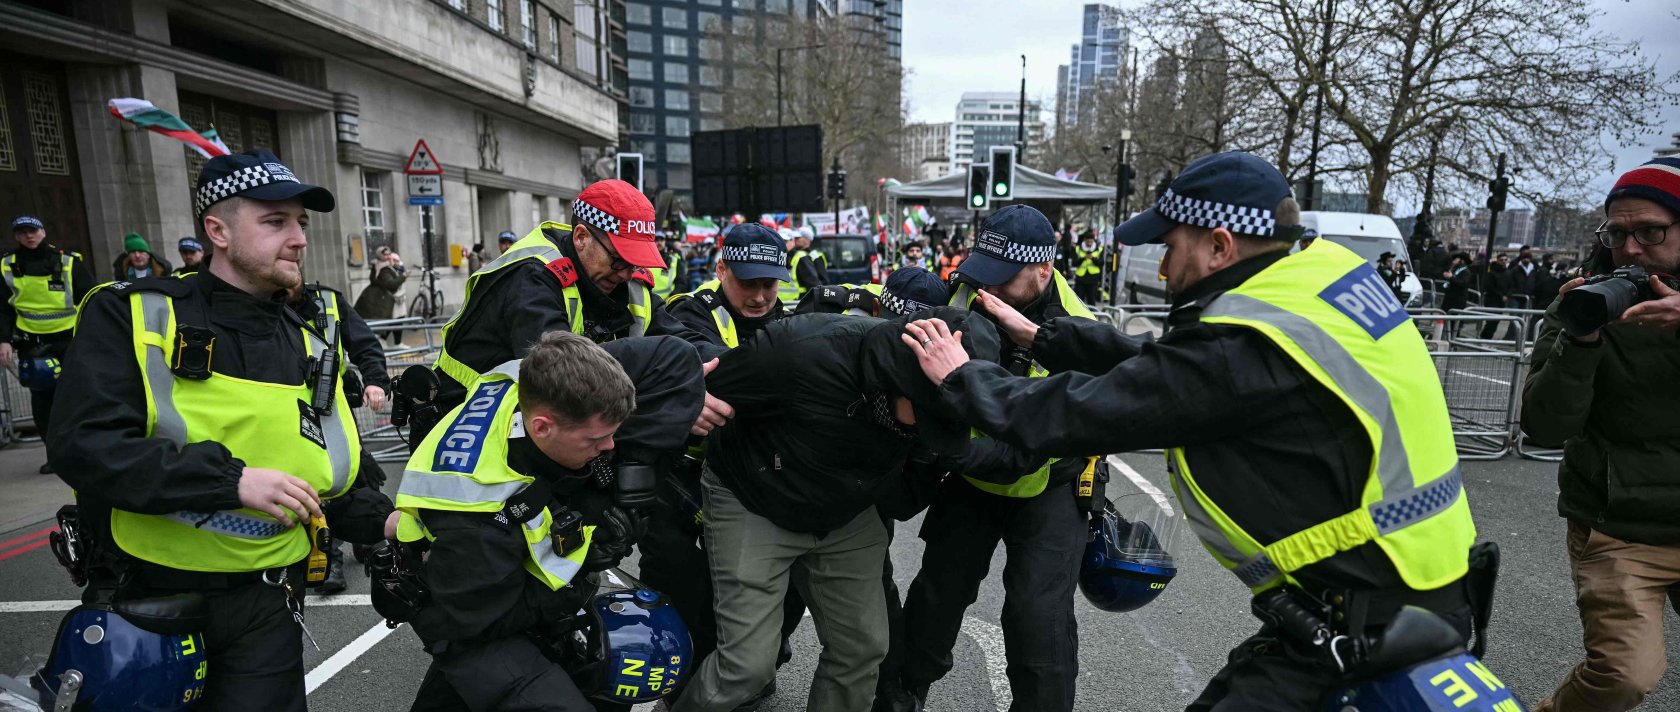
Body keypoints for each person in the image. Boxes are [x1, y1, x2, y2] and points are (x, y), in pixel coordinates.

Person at [900, 152, 1482, 711]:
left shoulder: (1241, 347)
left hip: (1365, 614)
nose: (1162, 267)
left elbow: (1086, 408)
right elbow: (1154, 359)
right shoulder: (1316, 280)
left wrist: (962, 378)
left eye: (1171, 247)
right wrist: (1042, 337)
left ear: (1219, 246)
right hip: (1409, 589)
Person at [49, 149, 398, 711]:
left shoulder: (308, 342)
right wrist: (229, 481)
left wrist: (388, 520)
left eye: (301, 224)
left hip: (269, 605)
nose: (299, 239)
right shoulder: (134, 315)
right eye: (275, 221)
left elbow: (332, 475)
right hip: (150, 598)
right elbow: (84, 444)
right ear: (217, 230)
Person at [673, 307, 998, 712]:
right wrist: (692, 402)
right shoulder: (798, 351)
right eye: (929, 420)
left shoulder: (940, 408)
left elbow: (911, 493)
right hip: (753, 495)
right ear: (901, 381)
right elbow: (702, 391)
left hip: (846, 508)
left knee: (863, 649)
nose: (926, 435)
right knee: (746, 667)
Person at [397, 330, 704, 712]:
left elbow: (675, 354)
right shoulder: (478, 514)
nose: (608, 447)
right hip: (466, 612)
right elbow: (490, 619)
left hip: (492, 575)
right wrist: (584, 563)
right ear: (542, 427)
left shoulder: (533, 378)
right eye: (596, 440)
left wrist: (631, 479)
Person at [898, 205, 1099, 712]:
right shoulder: (966, 292)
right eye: (984, 271)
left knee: (1039, 619)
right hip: (971, 474)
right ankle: (899, 697)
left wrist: (954, 447)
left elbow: (1024, 453)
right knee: (936, 600)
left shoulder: (1076, 328)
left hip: (1049, 479)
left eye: (1004, 279)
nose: (989, 290)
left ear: (1044, 270)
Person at [1521, 156, 1680, 712]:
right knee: (1623, 677)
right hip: (1620, 525)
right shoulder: (1583, 301)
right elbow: (1543, 427)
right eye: (1618, 233)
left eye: (1652, 231)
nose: (1632, 248)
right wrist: (1580, 338)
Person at [424, 179, 725, 430]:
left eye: (635, 262)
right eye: (619, 259)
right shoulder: (531, 277)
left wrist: (740, 363)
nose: (627, 274)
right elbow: (563, 376)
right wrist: (672, 401)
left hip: (533, 424)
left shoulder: (623, 277)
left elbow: (679, 338)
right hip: (464, 424)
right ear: (581, 237)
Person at [287, 278, 392, 594]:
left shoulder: (329, 301)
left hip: (335, 405)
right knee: (316, 482)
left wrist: (376, 382)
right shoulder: (260, 306)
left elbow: (365, 344)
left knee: (356, 471)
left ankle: (368, 535)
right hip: (289, 410)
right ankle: (329, 557)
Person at [1, 215, 94, 474]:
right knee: (43, 404)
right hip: (33, 345)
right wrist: (4, 340)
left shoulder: (67, 262)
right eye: (23, 232)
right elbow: (3, 309)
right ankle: (55, 454)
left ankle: (84, 449)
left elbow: (91, 298)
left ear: (43, 232)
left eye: (33, 231)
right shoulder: (8, 265)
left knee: (77, 396)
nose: (29, 236)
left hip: (69, 341)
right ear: (17, 236)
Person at [356, 246, 408, 343]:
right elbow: (391, 284)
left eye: (389, 254)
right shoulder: (384, 268)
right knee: (390, 320)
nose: (388, 256)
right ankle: (388, 342)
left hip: (382, 297)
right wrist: (403, 277)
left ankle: (389, 341)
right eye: (385, 254)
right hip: (382, 299)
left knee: (392, 319)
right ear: (380, 255)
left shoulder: (385, 265)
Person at [778, 226, 829, 304]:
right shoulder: (779, 256)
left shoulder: (801, 257)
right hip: (781, 304)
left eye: (785, 241)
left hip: (795, 304)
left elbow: (816, 283)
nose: (798, 240)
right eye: (779, 241)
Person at [1072, 232, 1106, 304]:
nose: (1089, 243)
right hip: (1080, 279)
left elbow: (1101, 263)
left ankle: (1092, 314)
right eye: (1088, 241)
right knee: (1079, 301)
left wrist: (1093, 258)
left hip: (1093, 279)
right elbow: (1074, 263)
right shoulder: (1077, 249)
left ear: (1093, 240)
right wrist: (1083, 258)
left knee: (1091, 300)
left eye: (1091, 241)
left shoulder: (1099, 249)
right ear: (1084, 240)